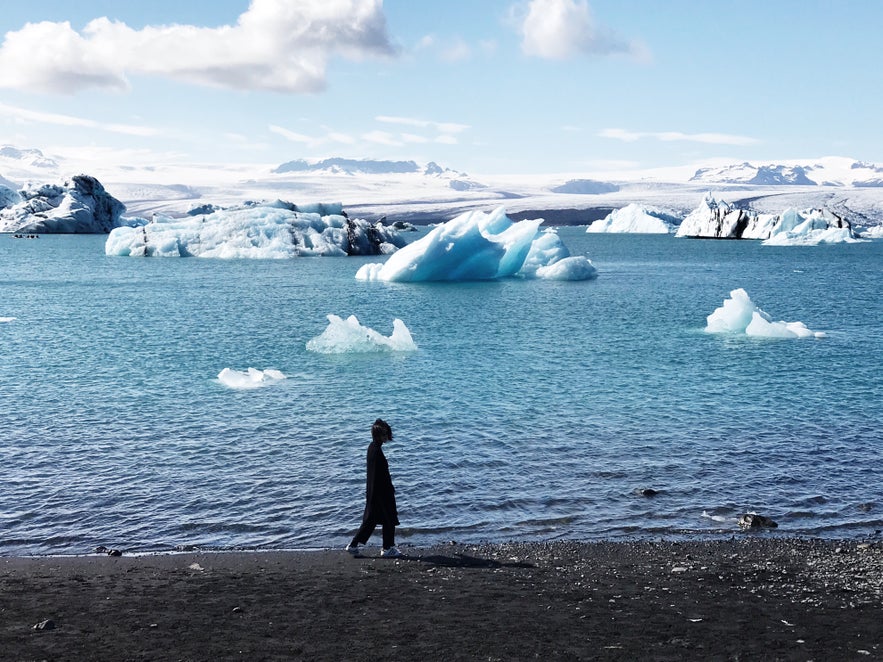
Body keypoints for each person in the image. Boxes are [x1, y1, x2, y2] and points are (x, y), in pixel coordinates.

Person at [346, 418, 401, 558]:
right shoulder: (376, 452)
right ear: (377, 435)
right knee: (389, 519)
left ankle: (353, 545)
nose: (386, 437)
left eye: (386, 434)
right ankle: (387, 548)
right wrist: (388, 490)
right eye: (384, 435)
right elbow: (380, 475)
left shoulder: (372, 448)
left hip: (374, 492)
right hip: (381, 492)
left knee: (370, 521)